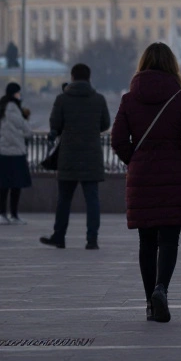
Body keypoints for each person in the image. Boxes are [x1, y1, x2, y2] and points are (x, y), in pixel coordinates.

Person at [109, 43, 181, 322]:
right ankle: (162, 289)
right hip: (173, 173)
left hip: (141, 176)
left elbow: (117, 140)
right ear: (172, 65)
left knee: (146, 241)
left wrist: (134, 161)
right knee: (170, 239)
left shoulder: (129, 99)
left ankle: (150, 302)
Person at [39, 64, 112, 249]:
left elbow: (55, 123)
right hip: (91, 156)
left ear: (72, 77)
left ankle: (59, 236)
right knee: (92, 200)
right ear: (89, 77)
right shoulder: (99, 99)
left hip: (68, 155)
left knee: (64, 199)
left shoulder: (62, 99)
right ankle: (92, 239)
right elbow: (105, 124)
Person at [0, 83, 33, 226]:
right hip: (16, 152)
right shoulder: (14, 109)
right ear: (15, 94)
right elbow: (28, 132)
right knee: (16, 185)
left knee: (3, 186)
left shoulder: (1, 108)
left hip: (2, 152)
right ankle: (14, 214)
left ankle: (2, 214)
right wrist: (25, 117)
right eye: (19, 93)